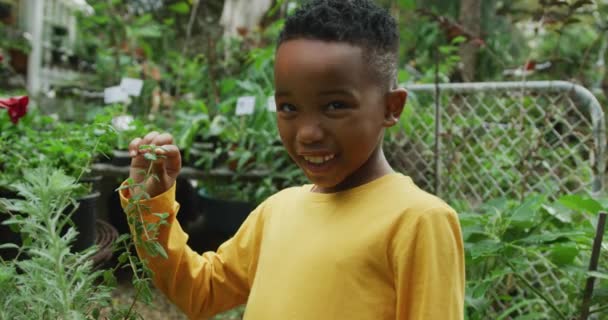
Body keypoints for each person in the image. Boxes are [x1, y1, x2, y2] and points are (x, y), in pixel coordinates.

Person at [120, 0, 465, 319]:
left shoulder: (418, 221)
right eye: (289, 108)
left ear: (391, 108)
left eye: (335, 105)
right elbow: (201, 291)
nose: (307, 133)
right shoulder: (277, 211)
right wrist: (150, 206)